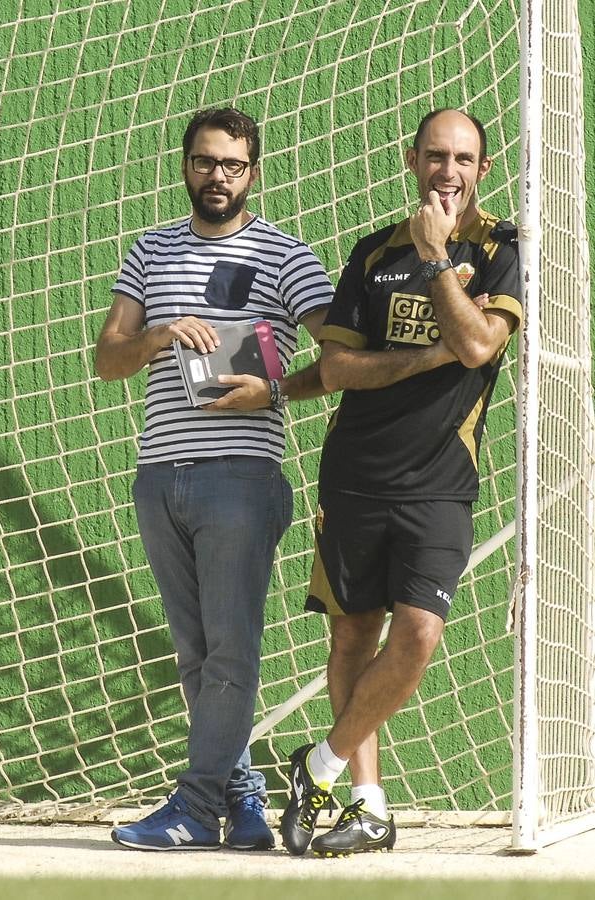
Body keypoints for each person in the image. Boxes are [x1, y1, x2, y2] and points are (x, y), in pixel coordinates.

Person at [279, 108, 522, 857]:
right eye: (435, 155)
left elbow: (481, 344)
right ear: (410, 160)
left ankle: (316, 766)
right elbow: (340, 368)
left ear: (482, 169)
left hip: (441, 484)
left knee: (415, 636)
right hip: (354, 476)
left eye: (463, 158)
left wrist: (435, 257)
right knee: (353, 634)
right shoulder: (368, 254)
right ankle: (368, 805)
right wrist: (434, 354)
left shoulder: (503, 250)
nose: (447, 170)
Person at [95, 107, 334, 852]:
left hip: (241, 476)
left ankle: (197, 809)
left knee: (230, 649)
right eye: (204, 162)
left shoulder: (287, 256)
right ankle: (245, 805)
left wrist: (275, 391)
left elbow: (340, 359)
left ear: (253, 173)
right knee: (196, 655)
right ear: (186, 166)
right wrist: (161, 332)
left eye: (231, 165)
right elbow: (107, 358)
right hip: (158, 474)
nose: (217, 177)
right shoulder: (150, 251)